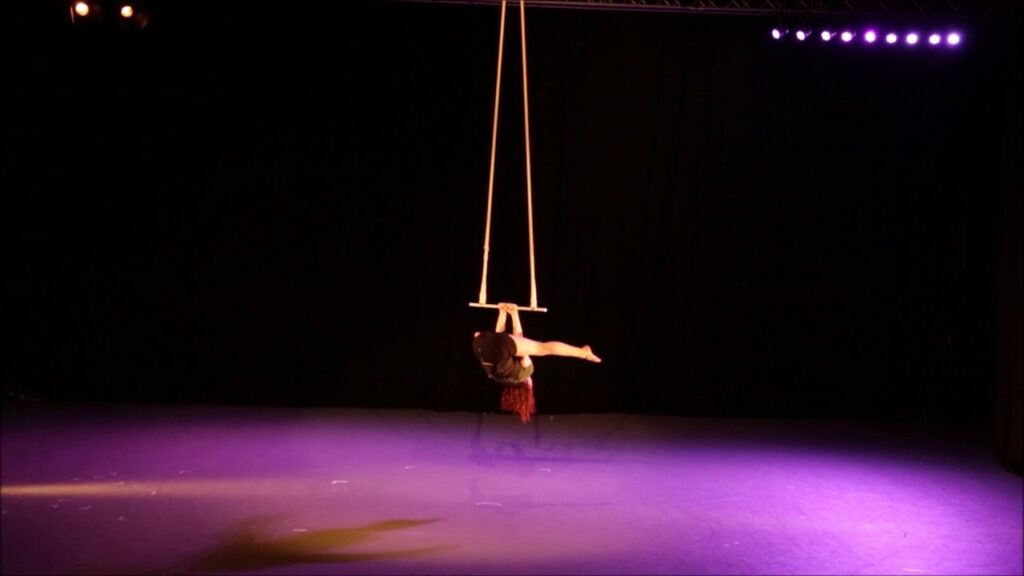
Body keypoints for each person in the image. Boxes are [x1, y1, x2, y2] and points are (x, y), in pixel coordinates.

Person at [472, 303, 601, 422]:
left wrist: (515, 315)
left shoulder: (524, 374)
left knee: (543, 348)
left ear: (528, 387)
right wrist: (503, 312)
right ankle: (500, 314)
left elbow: (520, 340)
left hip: (497, 347)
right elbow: (498, 339)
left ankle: (583, 353)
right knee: (500, 345)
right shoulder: (501, 378)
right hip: (480, 345)